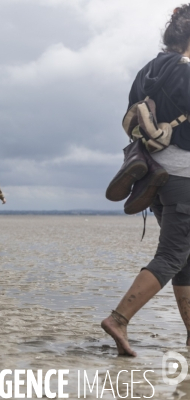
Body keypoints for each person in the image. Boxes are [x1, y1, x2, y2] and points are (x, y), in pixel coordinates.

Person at [102, 5, 190, 356]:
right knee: (171, 255)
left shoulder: (148, 69)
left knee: (184, 258)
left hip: (152, 173)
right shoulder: (187, 72)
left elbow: (128, 114)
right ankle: (119, 318)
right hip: (183, 173)